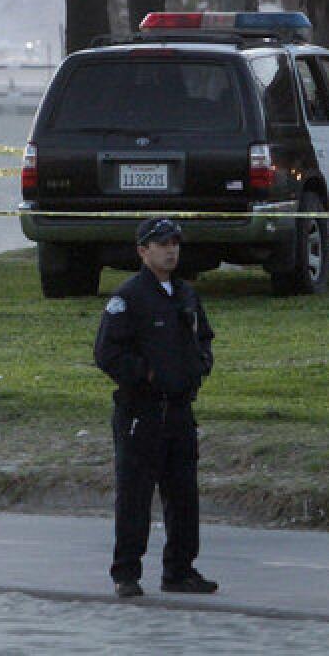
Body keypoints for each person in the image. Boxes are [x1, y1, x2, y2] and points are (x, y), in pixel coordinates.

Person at [94, 217, 218, 599]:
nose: (171, 249)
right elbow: (107, 353)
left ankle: (180, 570)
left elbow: (203, 338)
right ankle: (126, 572)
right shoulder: (128, 298)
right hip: (141, 413)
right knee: (134, 495)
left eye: (175, 242)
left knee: (183, 494)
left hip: (179, 411)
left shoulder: (185, 294)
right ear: (143, 251)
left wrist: (200, 366)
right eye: (162, 243)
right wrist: (145, 376)